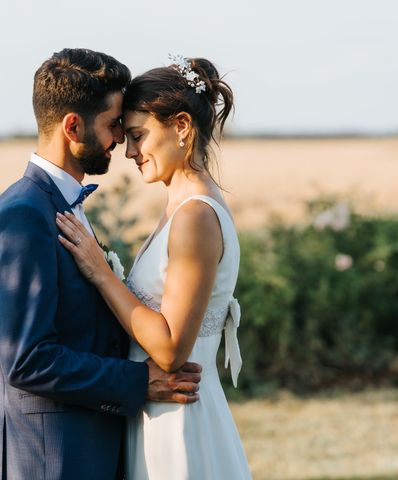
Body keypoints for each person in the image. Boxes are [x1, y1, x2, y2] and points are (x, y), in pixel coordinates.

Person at [0, 48, 202, 480]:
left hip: (80, 453)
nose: (120, 141)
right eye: (113, 125)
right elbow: (27, 359)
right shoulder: (22, 215)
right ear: (73, 126)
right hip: (40, 460)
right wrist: (136, 381)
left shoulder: (64, 204)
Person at [57, 55, 253, 479]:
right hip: (156, 414)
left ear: (181, 126)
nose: (128, 152)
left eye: (138, 136)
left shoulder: (195, 217)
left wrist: (101, 272)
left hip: (179, 425)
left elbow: (169, 349)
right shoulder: (179, 207)